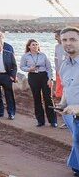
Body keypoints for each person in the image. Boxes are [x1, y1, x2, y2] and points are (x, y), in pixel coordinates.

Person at [56, 27, 79, 176]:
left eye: (72, 39)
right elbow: (66, 87)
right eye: (64, 40)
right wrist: (63, 103)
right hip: (72, 115)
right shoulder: (64, 65)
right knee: (77, 140)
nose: (68, 43)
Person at [20, 39, 57, 127]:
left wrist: (50, 79)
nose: (35, 46)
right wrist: (29, 69)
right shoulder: (25, 56)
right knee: (37, 98)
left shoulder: (43, 55)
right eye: (33, 45)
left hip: (44, 76)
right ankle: (40, 121)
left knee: (48, 98)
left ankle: (53, 121)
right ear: (29, 46)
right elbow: (22, 67)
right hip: (33, 77)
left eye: (37, 44)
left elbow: (49, 68)